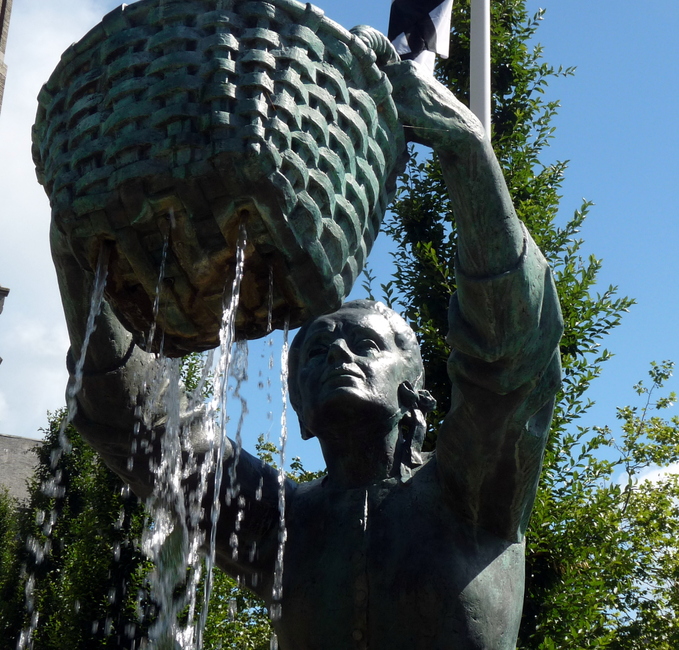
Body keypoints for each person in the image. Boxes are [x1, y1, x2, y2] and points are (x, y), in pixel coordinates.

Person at [51, 55, 562, 650]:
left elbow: (509, 361)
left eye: (365, 344)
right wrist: (79, 254)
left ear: (416, 389)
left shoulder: (470, 493)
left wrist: (469, 155)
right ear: (297, 403)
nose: (336, 355)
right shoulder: (281, 524)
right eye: (313, 353)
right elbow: (141, 427)